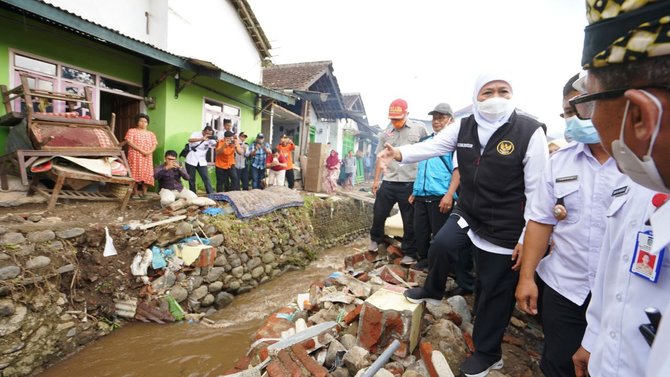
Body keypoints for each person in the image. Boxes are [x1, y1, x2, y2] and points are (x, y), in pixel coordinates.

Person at [379, 75, 548, 377]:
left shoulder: (529, 132)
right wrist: (400, 153)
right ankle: (433, 289)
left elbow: (538, 194)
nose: (496, 97)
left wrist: (526, 237)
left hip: (505, 225)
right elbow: (433, 146)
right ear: (475, 96)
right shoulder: (465, 125)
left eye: (503, 91)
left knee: (493, 292)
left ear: (512, 95)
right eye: (488, 92)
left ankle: (488, 354)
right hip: (469, 211)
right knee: (442, 244)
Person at [567, 2, 670, 376]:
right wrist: (596, 339)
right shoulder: (644, 181)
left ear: (640, 115)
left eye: (587, 105)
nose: (590, 124)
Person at [514, 74, 622, 377]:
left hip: (620, 292)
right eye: (568, 112)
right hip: (566, 287)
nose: (574, 119)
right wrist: (527, 278)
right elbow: (540, 222)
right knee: (559, 364)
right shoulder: (560, 162)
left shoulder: (639, 163)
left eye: (582, 109)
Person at [369, 98, 427, 260]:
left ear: (407, 114)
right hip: (389, 181)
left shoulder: (419, 130)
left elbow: (426, 155)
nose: (395, 122)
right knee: (379, 213)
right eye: (392, 119)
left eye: (398, 119)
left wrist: (421, 184)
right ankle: (376, 239)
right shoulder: (385, 133)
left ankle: (409, 252)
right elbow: (380, 158)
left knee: (409, 219)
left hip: (410, 182)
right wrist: (376, 181)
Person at [406, 103, 461, 271]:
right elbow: (421, 168)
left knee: (440, 234)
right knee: (420, 230)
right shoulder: (426, 141)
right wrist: (415, 191)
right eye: (434, 118)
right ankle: (424, 259)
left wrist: (450, 195)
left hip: (441, 195)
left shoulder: (455, 144)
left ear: (450, 120)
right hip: (422, 194)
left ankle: (442, 266)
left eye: (441, 118)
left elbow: (458, 171)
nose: (436, 121)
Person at [124, 113, 157, 198]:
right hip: (135, 156)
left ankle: (144, 193)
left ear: (147, 123)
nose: (143, 123)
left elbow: (154, 144)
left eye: (145, 121)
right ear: (137, 122)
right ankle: (135, 193)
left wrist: (149, 152)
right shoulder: (132, 131)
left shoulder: (151, 134)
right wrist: (142, 150)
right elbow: (129, 142)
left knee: (146, 174)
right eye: (141, 121)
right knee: (134, 173)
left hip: (147, 157)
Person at [185, 126, 216, 194]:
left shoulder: (210, 138)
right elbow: (190, 140)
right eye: (207, 133)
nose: (208, 135)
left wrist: (217, 140)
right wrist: (201, 139)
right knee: (191, 179)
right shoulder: (196, 134)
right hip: (191, 159)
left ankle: (211, 193)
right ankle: (193, 194)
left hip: (202, 161)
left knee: (206, 177)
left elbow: (216, 144)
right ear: (204, 131)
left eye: (210, 134)